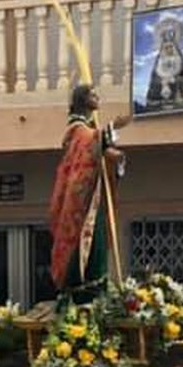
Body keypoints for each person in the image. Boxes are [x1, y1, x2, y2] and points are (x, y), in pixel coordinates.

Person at [48, 84, 128, 297]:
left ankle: (96, 288)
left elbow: (96, 149)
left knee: (97, 242)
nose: (97, 97)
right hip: (81, 202)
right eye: (93, 94)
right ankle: (84, 291)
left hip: (94, 196)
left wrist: (114, 158)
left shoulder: (88, 129)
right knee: (86, 243)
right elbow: (89, 144)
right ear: (83, 99)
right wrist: (113, 127)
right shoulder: (76, 129)